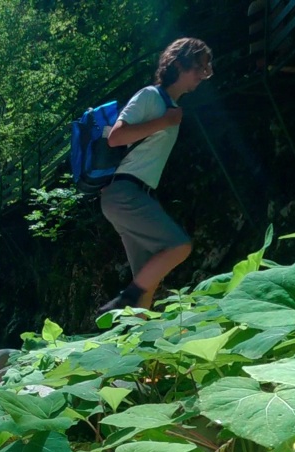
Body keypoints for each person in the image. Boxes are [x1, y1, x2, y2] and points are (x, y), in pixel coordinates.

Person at [96, 38, 213, 315]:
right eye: (198, 67)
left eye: (206, 69)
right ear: (177, 64)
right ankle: (125, 299)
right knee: (179, 245)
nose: (202, 75)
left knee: (148, 283)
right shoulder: (150, 96)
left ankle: (138, 352)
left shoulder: (170, 105)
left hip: (133, 194)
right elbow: (116, 137)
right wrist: (166, 121)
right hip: (125, 193)